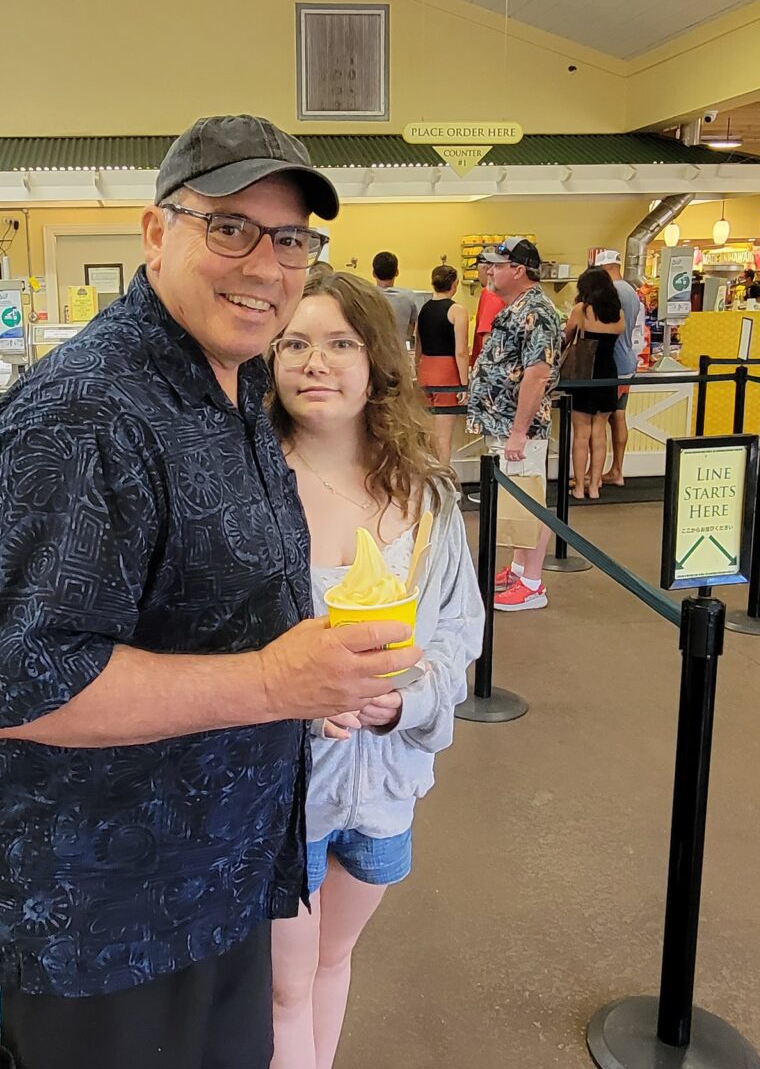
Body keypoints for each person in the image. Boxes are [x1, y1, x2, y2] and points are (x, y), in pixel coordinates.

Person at [0, 116, 414, 1069]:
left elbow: (215, 616)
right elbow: (19, 686)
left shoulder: (233, 390)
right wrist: (273, 684)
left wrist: (314, 678)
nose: (266, 265)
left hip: (218, 883)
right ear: (156, 234)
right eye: (230, 227)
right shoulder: (83, 415)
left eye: (292, 240)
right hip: (92, 925)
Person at [266, 267, 480, 1069]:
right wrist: (293, 695)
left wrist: (402, 703)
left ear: (377, 360)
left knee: (333, 960)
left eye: (339, 343)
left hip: (386, 786)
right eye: (294, 343)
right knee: (283, 989)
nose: (315, 362)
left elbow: (458, 630)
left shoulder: (424, 496)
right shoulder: (249, 491)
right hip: (282, 793)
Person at [464, 237, 561, 612]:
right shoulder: (516, 308)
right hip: (504, 425)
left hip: (519, 429)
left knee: (530, 499)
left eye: (497, 265)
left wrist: (519, 431)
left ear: (518, 270)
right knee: (519, 498)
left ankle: (532, 584)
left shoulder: (537, 311)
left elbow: (537, 374)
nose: (489, 271)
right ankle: (521, 570)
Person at [561, 268, 626, 501]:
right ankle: (595, 486)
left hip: (584, 373)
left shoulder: (582, 309)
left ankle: (579, 487)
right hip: (608, 373)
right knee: (599, 432)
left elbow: (567, 335)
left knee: (581, 434)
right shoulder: (618, 313)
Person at [414, 263, 472, 465]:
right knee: (443, 438)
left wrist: (417, 370)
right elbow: (461, 351)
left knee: (427, 438)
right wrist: (464, 384)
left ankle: (428, 477)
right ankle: (442, 480)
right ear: (455, 284)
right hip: (447, 373)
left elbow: (418, 344)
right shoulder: (457, 310)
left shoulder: (424, 309)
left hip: (425, 370)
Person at [606, 275, 646, 486]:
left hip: (613, 364)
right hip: (628, 361)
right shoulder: (633, 294)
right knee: (619, 416)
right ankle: (617, 471)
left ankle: (593, 476)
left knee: (598, 421)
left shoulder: (609, 297)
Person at [370, 251, 422, 353]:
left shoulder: (366, 296)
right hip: (398, 353)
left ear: (373, 273)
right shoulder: (408, 296)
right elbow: (411, 327)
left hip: (373, 353)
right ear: (397, 272)